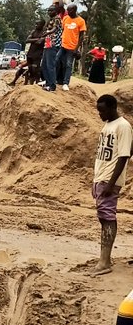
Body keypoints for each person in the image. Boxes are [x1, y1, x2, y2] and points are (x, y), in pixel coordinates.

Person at [90, 94, 130, 276]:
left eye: (102, 110)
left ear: (112, 108)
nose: (100, 114)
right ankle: (105, 258)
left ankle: (104, 261)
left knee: (107, 216)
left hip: (109, 179)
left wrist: (111, 183)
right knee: (103, 216)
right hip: (101, 176)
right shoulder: (109, 125)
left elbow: (123, 156)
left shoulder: (123, 126)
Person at [57, 3, 87, 91]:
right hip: (63, 45)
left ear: (74, 10)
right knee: (56, 61)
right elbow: (63, 30)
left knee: (68, 65)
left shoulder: (81, 21)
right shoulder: (66, 18)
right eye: (67, 10)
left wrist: (76, 48)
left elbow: (81, 36)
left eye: (69, 10)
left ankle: (66, 83)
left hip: (72, 47)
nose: (68, 12)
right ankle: (53, 79)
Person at [11, 19, 47, 86]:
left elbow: (40, 42)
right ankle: (15, 82)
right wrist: (37, 39)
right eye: (35, 24)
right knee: (27, 69)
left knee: (34, 70)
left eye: (37, 24)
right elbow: (27, 40)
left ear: (42, 25)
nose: (36, 25)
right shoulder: (34, 31)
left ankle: (33, 84)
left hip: (37, 55)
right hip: (30, 54)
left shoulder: (44, 33)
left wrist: (33, 40)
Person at [42, 4, 64, 91]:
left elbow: (54, 29)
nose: (49, 12)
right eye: (48, 10)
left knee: (50, 65)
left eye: (51, 10)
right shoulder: (50, 19)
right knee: (44, 66)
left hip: (53, 44)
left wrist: (47, 33)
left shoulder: (57, 18)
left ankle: (52, 85)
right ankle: (48, 83)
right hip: (47, 44)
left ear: (56, 11)